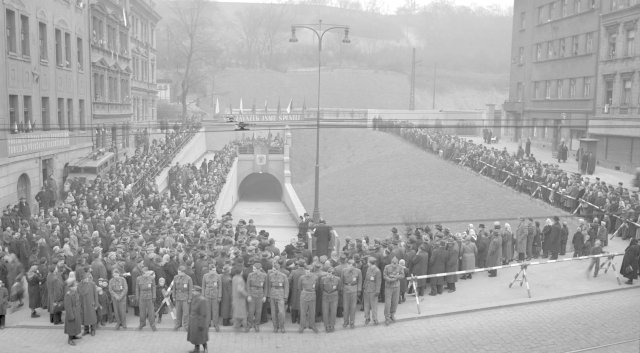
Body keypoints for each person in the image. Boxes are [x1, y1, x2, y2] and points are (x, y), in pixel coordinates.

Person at [267, 260, 288, 333]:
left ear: (279, 269)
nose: (274, 271)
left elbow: (286, 287)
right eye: (273, 269)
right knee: (273, 312)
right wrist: (268, 296)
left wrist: (285, 296)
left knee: (281, 312)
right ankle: (275, 327)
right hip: (272, 295)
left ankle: (282, 326)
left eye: (276, 269)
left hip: (280, 295)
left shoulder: (284, 276)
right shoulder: (270, 276)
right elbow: (268, 286)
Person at [187, 285, 210, 353]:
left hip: (199, 322)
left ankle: (205, 349)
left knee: (201, 336)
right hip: (194, 321)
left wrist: (201, 324)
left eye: (194, 291)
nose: (192, 292)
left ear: (198, 292)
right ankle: (196, 349)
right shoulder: (195, 298)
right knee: (195, 336)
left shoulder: (202, 300)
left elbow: (203, 314)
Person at [340, 259, 361, 329]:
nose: (350, 266)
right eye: (349, 264)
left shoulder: (358, 271)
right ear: (347, 264)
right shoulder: (344, 271)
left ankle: (352, 322)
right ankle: (345, 322)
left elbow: (360, 281)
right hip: (346, 289)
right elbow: (341, 281)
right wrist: (342, 289)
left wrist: (359, 290)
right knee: (345, 307)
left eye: (352, 265)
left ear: (354, 266)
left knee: (353, 307)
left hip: (354, 289)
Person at [246, 262, 267, 332]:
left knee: (258, 311)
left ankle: (256, 324)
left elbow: (266, 287)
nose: (253, 270)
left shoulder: (264, 275)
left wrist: (264, 296)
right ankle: (249, 324)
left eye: (254, 269)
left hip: (260, 295)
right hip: (252, 294)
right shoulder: (250, 275)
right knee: (251, 311)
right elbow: (248, 285)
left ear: (259, 269)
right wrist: (248, 295)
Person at [298, 265, 318, 333]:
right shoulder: (301, 278)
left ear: (311, 272)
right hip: (304, 295)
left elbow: (316, 287)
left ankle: (312, 325)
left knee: (312, 312)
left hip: (312, 295)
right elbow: (299, 287)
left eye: (309, 272)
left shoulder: (315, 277)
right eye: (306, 272)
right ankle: (302, 326)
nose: (307, 273)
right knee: (303, 312)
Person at [201, 263, 222, 331]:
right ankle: (207, 323)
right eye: (213, 270)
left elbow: (220, 287)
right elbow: (203, 287)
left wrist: (219, 296)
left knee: (215, 310)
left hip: (215, 295)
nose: (214, 272)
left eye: (215, 270)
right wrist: (203, 296)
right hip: (207, 295)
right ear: (209, 270)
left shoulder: (218, 276)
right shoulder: (205, 276)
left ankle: (216, 324)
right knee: (207, 310)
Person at [382, 256, 402, 325]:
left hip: (396, 287)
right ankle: (387, 318)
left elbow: (403, 275)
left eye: (396, 263)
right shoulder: (387, 267)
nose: (394, 264)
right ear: (391, 262)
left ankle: (392, 314)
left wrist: (397, 277)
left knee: (395, 302)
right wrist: (389, 279)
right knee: (388, 303)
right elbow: (384, 275)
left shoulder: (400, 267)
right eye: (393, 263)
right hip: (388, 287)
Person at [78, 272, 99, 336]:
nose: (87, 279)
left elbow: (95, 295)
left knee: (92, 317)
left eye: (87, 278)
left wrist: (96, 304)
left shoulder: (92, 284)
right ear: (82, 279)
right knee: (84, 317)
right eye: (85, 278)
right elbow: (78, 295)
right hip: (83, 304)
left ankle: (93, 330)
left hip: (91, 303)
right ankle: (86, 330)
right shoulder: (79, 285)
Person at [362, 257, 381, 326]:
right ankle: (367, 318)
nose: (367, 263)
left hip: (373, 290)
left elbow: (378, 282)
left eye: (368, 262)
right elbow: (366, 279)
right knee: (366, 305)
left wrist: (377, 291)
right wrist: (364, 287)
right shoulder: (368, 269)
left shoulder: (377, 271)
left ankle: (375, 318)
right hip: (367, 289)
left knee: (374, 306)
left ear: (370, 263)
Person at [63, 272, 81, 346]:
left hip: (76, 311)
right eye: (75, 285)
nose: (76, 286)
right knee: (71, 326)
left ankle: (74, 335)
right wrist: (71, 315)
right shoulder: (68, 295)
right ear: (72, 286)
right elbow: (68, 307)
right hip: (71, 312)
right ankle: (70, 339)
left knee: (75, 325)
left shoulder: (74, 292)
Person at [173, 265, 193, 331]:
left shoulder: (188, 278)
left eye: (179, 272)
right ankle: (178, 324)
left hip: (185, 298)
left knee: (186, 313)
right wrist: (173, 296)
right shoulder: (176, 277)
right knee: (178, 312)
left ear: (183, 272)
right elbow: (174, 288)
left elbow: (190, 289)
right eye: (178, 272)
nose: (178, 273)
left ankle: (186, 325)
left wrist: (190, 298)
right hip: (178, 297)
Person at [321, 267, 340, 332]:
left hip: (334, 296)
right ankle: (326, 325)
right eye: (328, 273)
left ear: (334, 274)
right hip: (325, 296)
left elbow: (339, 288)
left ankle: (332, 325)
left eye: (331, 274)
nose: (329, 275)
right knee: (325, 312)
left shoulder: (337, 279)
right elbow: (321, 287)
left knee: (333, 312)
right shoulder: (323, 279)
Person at [231, 267, 249, 331]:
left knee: (236, 313)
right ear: (241, 272)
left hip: (235, 298)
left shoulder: (234, 278)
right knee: (243, 314)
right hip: (240, 299)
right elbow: (240, 289)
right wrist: (246, 295)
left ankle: (236, 326)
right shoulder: (240, 279)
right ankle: (245, 327)